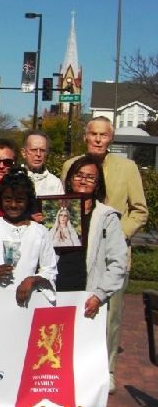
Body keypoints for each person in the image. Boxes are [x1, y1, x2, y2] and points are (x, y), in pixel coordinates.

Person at [61, 117, 145, 393]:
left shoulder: (127, 168)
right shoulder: (70, 165)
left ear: (111, 138)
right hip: (73, 253)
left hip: (112, 256)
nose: (98, 139)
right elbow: (63, 201)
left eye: (104, 135)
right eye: (93, 134)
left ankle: (106, 371)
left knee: (109, 318)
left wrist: (115, 236)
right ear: (86, 136)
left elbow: (140, 210)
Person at [62, 155, 128, 376]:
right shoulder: (54, 209)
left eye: (90, 177)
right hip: (55, 294)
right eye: (79, 175)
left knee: (79, 361)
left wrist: (100, 295)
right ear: (70, 178)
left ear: (98, 183)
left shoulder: (106, 217)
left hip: (86, 297)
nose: (83, 180)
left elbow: (118, 262)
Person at [0, 170, 57, 306]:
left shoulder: (40, 231)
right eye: (8, 199)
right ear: (0, 199)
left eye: (19, 200)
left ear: (28, 201)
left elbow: (49, 270)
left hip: (27, 300)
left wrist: (31, 281)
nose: (13, 205)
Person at [21, 131, 63, 195]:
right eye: (34, 150)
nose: (38, 154)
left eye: (42, 150)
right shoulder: (13, 178)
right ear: (24, 153)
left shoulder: (55, 183)